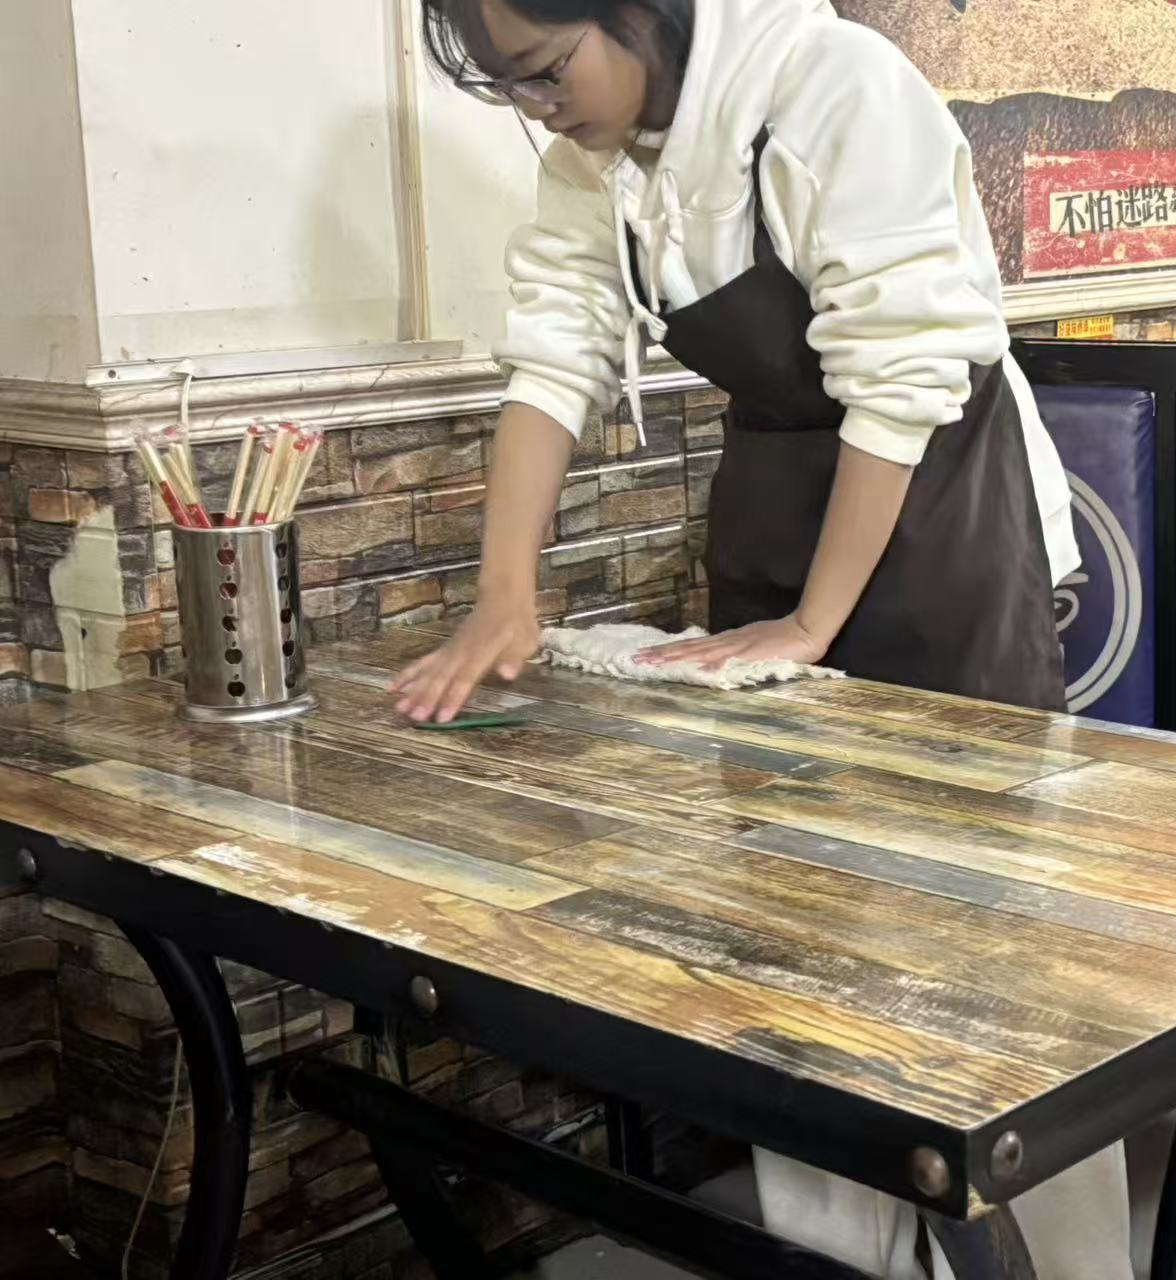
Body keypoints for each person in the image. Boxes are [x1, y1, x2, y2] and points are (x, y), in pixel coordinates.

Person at [392, 0, 1137, 1274]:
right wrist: (503, 590)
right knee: (792, 938)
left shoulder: (833, 86)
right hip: (778, 515)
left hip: (940, 525)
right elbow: (558, 350)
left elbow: (903, 373)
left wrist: (812, 620)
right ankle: (844, 1263)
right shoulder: (596, 161)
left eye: (549, 69)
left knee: (992, 956)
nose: (540, 109)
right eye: (511, 87)